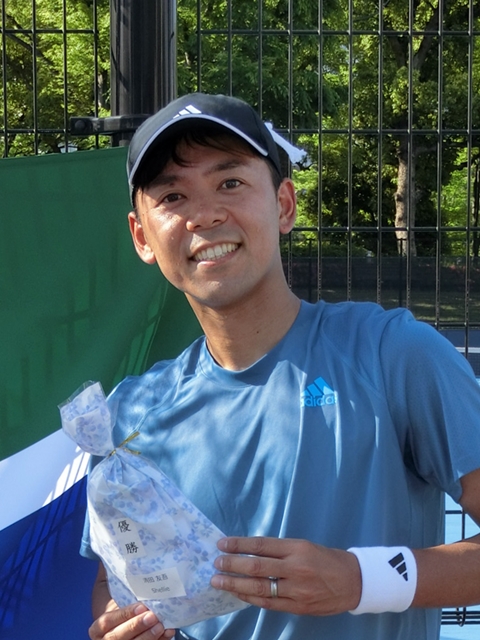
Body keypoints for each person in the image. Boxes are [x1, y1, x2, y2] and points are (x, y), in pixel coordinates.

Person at [82, 92, 480, 640]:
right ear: (141, 236)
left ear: (285, 205)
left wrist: (360, 580)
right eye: (173, 196)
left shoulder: (394, 354)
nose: (205, 215)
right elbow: (115, 582)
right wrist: (121, 622)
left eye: (230, 183)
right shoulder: (129, 416)